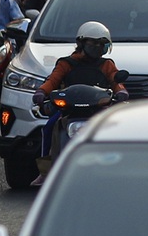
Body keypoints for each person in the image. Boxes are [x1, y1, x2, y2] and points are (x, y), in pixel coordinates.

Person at [32, 21, 128, 186]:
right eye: (94, 44)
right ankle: (46, 172)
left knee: (119, 130)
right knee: (48, 128)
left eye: (102, 45)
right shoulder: (66, 63)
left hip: (98, 110)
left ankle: (121, 168)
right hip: (69, 111)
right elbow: (52, 80)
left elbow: (115, 79)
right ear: (81, 43)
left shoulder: (106, 64)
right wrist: (41, 92)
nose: (98, 48)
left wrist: (121, 92)